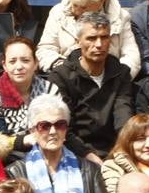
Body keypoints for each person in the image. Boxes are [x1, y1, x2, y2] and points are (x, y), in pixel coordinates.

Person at [46, 12, 135, 159]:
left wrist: (121, 150)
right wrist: (87, 155)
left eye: (104, 37)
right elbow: (64, 128)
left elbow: (123, 115)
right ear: (78, 41)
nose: (99, 44)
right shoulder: (61, 77)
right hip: (72, 152)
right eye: (91, 38)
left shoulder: (121, 73)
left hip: (116, 150)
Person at [37, 0, 139, 77]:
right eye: (75, 4)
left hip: (109, 81)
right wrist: (64, 70)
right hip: (67, 79)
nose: (75, 10)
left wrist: (117, 78)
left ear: (101, 1)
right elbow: (45, 50)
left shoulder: (121, 17)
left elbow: (132, 57)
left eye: (83, 7)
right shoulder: (57, 13)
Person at [0, 35, 61, 160]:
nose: (19, 67)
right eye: (12, 61)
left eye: (25, 60)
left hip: (48, 152)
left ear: (36, 64)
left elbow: (58, 129)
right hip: (10, 160)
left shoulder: (50, 90)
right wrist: (24, 140)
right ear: (4, 66)